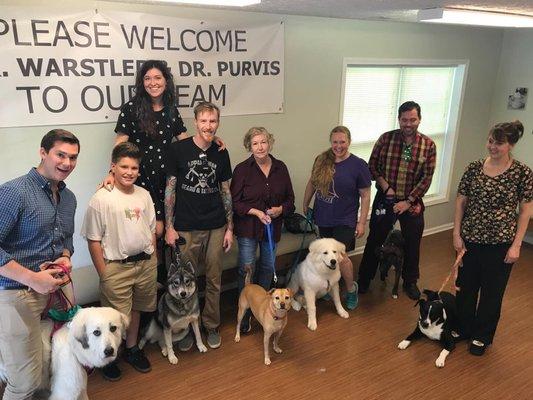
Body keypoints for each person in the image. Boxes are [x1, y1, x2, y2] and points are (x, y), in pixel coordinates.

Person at [0, 129, 79, 399]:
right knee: (23, 383)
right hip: (16, 293)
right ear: (43, 152)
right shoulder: (14, 192)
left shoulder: (69, 198)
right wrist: (32, 279)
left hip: (55, 292)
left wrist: (66, 256)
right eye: (60, 155)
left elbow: (66, 238)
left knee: (47, 364)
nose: (67, 163)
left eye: (73, 157)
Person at [453, 121, 532, 356]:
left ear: (511, 145)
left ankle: (482, 336)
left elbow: (526, 210)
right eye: (490, 141)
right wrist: (456, 234)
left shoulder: (522, 173)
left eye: (498, 143)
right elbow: (461, 200)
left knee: (492, 292)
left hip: (500, 243)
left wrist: (517, 245)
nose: (492, 147)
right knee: (465, 288)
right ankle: (464, 327)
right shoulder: (474, 167)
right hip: (470, 239)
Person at [82, 142, 157, 381]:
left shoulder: (144, 195)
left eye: (134, 167)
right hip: (116, 267)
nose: (129, 172)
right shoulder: (102, 198)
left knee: (136, 310)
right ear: (113, 167)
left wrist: (152, 256)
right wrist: (104, 273)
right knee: (112, 318)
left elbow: (151, 229)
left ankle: (132, 348)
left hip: (145, 265)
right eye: (124, 166)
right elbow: (93, 240)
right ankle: (107, 357)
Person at [164, 102, 233, 350]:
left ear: (218, 122)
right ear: (195, 122)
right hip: (185, 226)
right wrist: (169, 226)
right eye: (203, 121)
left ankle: (211, 325)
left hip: (215, 225)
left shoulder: (221, 151)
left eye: (212, 121)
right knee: (185, 280)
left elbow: (225, 190)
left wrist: (230, 227)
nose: (208, 126)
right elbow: (170, 188)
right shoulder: (178, 150)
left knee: (214, 278)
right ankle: (184, 328)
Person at [357, 101, 436, 300]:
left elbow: (427, 178)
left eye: (412, 120)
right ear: (399, 119)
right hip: (386, 198)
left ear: (419, 119)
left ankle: (410, 281)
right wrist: (385, 186)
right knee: (375, 238)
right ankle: (364, 278)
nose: (408, 124)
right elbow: (372, 166)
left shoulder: (428, 146)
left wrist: (408, 201)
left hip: (412, 202)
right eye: (404, 120)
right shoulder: (386, 139)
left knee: (412, 242)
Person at [231, 127, 295, 332]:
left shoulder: (280, 168)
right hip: (248, 228)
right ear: (249, 146)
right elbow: (235, 203)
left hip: (272, 228)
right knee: (247, 269)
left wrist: (280, 210)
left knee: (268, 268)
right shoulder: (242, 169)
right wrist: (256, 212)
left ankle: (265, 309)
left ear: (270, 143)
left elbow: (290, 200)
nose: (260, 147)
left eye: (263, 142)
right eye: (255, 143)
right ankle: (246, 312)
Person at [303, 125, 371, 310]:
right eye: (335, 142)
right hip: (323, 216)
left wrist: (361, 222)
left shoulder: (358, 165)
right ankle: (328, 286)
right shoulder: (322, 159)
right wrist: (305, 203)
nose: (338, 146)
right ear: (330, 142)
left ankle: (350, 289)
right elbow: (312, 182)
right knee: (325, 255)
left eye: (342, 142)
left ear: (349, 141)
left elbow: (365, 195)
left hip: (345, 219)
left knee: (340, 257)